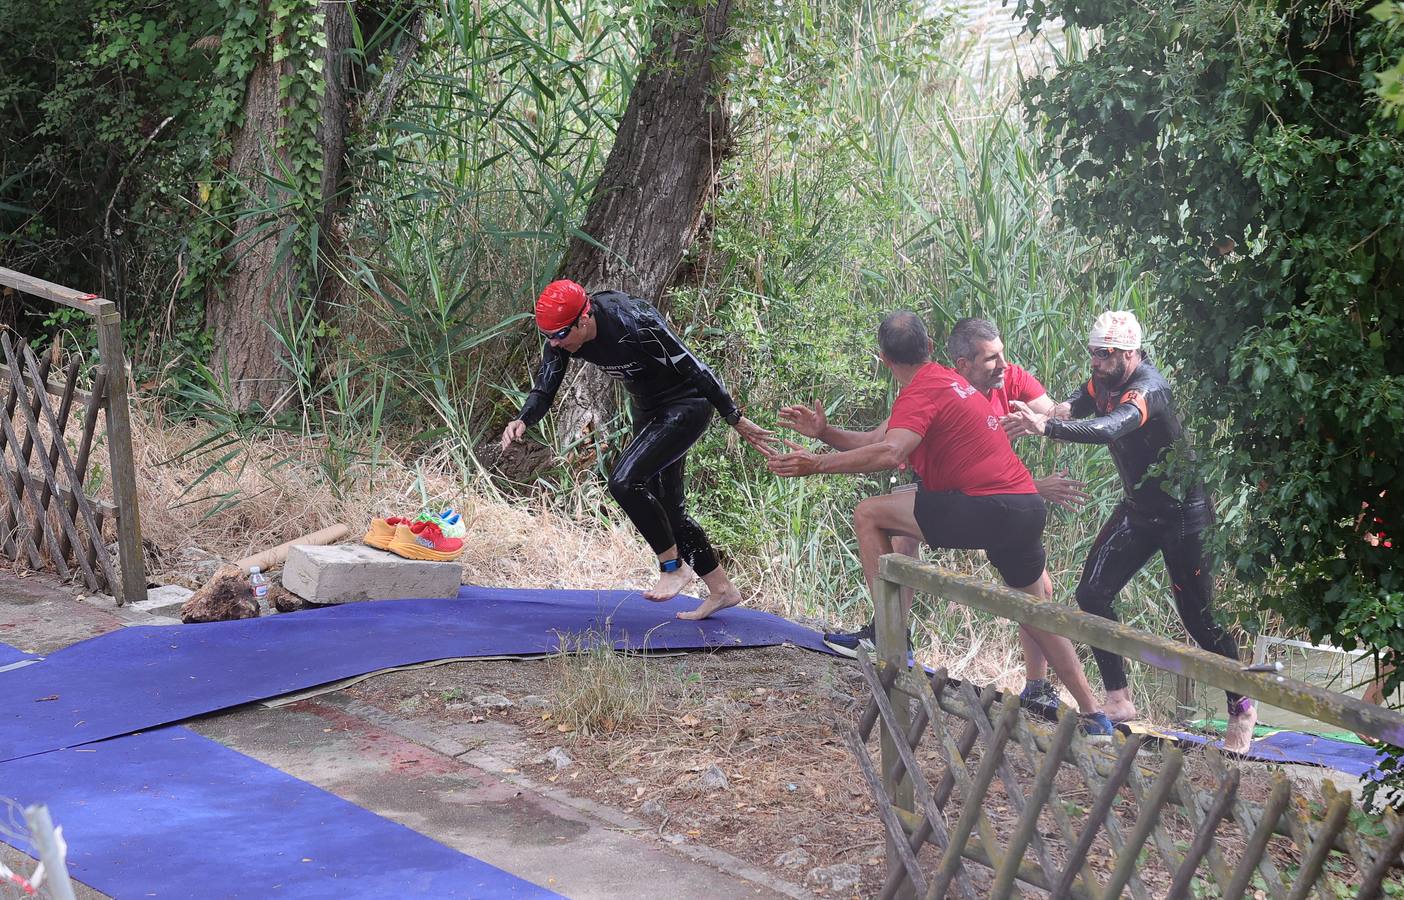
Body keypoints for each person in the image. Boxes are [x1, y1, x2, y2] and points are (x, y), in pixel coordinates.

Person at [768, 311, 1113, 738]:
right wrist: (824, 433)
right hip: (1024, 506)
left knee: (869, 513)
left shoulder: (921, 393)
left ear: (883, 358)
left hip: (986, 507)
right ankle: (1094, 712)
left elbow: (891, 453)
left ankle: (888, 635)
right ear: (930, 349)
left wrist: (815, 465)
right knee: (1034, 610)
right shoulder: (942, 384)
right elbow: (875, 441)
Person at [1001, 310, 1257, 752]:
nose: (1096, 362)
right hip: (1139, 510)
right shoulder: (1101, 380)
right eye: (1093, 353)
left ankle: (1243, 705)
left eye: (1105, 355)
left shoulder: (1148, 389)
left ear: (1130, 353)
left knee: (1199, 619)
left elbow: (1108, 428)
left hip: (1183, 515)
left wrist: (1049, 426)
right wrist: (1035, 416)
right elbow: (1072, 409)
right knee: (1092, 593)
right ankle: (1118, 699)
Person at [501, 280, 773, 619]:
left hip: (687, 403)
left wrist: (735, 417)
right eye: (548, 336)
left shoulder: (632, 320)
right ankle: (722, 590)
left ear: (584, 319)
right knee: (669, 508)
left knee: (625, 482)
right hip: (649, 409)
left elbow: (695, 366)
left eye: (559, 335)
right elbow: (546, 385)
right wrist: (523, 419)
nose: (554, 343)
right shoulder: (561, 336)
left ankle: (673, 567)